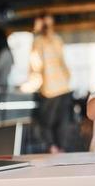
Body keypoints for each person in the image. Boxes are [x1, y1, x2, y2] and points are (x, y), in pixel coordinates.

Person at [21, 13, 72, 154]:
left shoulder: (38, 41)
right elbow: (64, 63)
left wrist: (27, 86)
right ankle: (61, 149)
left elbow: (36, 67)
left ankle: (52, 149)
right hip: (64, 86)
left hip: (50, 88)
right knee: (62, 122)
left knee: (45, 123)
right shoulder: (57, 39)